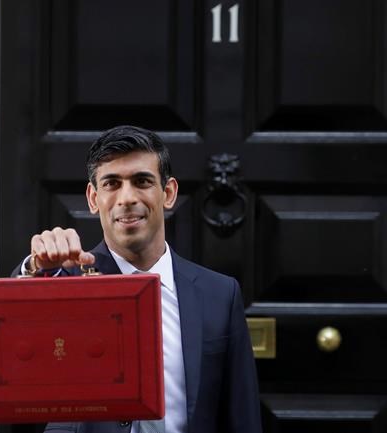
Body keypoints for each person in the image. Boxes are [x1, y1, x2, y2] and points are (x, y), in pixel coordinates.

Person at [13, 125, 262, 433]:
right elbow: (14, 350)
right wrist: (34, 270)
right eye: (111, 184)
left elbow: (242, 418)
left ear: (168, 192)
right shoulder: (64, 281)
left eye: (142, 181)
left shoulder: (220, 295)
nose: (127, 197)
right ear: (93, 199)